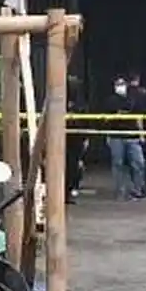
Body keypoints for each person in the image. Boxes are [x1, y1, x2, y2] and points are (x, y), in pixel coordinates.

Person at [103, 76, 146, 200]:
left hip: (132, 135)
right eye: (118, 84)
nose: (120, 86)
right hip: (116, 136)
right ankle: (120, 191)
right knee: (118, 163)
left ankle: (137, 190)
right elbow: (105, 119)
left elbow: (139, 117)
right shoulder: (110, 101)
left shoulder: (132, 100)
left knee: (139, 163)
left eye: (122, 84)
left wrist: (141, 134)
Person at [65, 74, 88, 204]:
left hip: (75, 140)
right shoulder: (60, 102)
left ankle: (69, 191)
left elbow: (84, 121)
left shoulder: (80, 104)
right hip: (65, 139)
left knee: (73, 167)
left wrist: (85, 138)